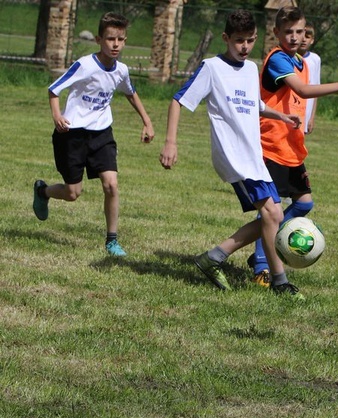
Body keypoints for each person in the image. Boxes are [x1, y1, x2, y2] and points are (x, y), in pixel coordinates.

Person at [159, 9, 302, 296]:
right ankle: (280, 282)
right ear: (226, 38)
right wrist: (171, 142)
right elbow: (178, 101)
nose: (244, 47)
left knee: (271, 216)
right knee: (272, 213)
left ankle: (213, 258)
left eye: (250, 40)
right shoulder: (211, 68)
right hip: (233, 156)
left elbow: (255, 105)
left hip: (253, 156)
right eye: (238, 41)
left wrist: (280, 116)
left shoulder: (251, 69)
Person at [248, 6, 338, 287]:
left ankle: (269, 243)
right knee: (269, 211)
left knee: (304, 203)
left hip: (292, 148)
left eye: (298, 32)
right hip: (272, 146)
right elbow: (301, 91)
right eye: (287, 32)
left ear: (305, 33)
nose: (293, 37)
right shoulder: (278, 60)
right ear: (277, 33)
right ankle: (261, 264)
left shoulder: (300, 60)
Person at [33, 12, 154, 257]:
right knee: (72, 193)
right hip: (72, 134)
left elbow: (130, 93)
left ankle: (112, 240)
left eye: (120, 39)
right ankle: (43, 191)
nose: (116, 44)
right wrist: (57, 116)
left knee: (111, 185)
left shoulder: (122, 70)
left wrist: (147, 121)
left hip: (102, 134)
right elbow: (54, 89)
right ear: (99, 39)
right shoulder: (85, 65)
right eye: (110, 39)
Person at [299, 21, 321, 135]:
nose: (303, 40)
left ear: (312, 40)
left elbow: (315, 89)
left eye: (307, 37)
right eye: (301, 36)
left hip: (306, 112)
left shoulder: (315, 60)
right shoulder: (288, 57)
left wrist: (312, 117)